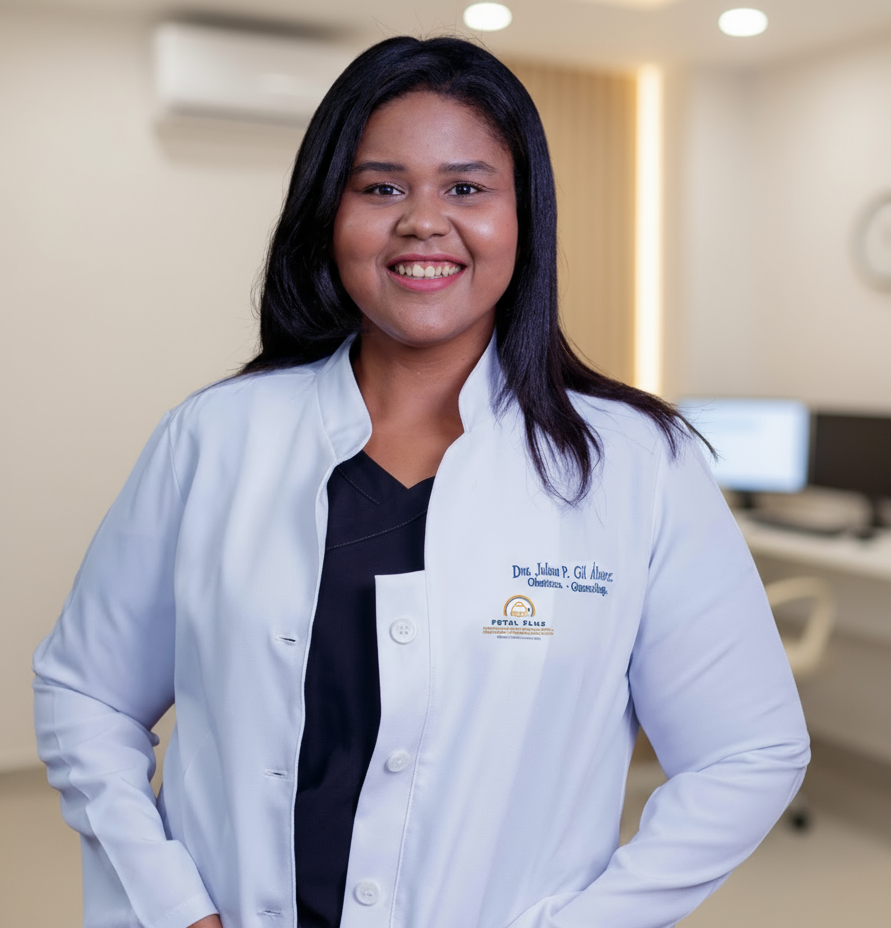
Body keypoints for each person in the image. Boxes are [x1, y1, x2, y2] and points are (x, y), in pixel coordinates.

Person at [32, 35, 809, 928]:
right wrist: (175, 911)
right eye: (382, 187)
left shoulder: (637, 466)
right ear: (331, 212)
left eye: (467, 188)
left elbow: (749, 750)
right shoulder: (214, 438)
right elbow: (86, 693)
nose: (424, 221)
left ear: (524, 218)